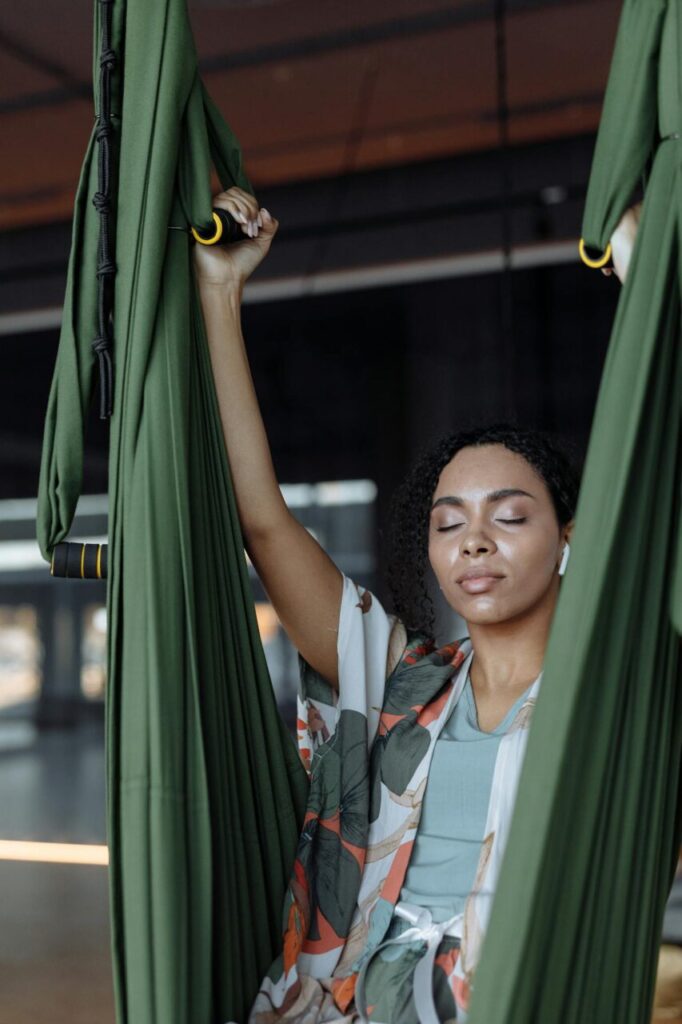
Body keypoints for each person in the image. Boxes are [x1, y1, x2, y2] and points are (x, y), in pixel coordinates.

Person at [193, 189, 637, 1023]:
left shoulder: (616, 694)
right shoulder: (404, 686)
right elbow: (263, 520)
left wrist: (652, 284)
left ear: (568, 538)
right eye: (448, 523)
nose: (474, 542)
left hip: (521, 997)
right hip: (353, 1001)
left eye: (508, 517)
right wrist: (219, 295)